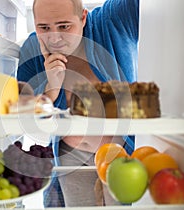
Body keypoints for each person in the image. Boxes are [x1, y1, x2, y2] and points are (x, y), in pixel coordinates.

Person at [17, 0, 139, 207]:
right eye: (44, 28)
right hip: (71, 158)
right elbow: (25, 111)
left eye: (64, 26)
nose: (55, 38)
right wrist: (52, 87)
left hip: (121, 154)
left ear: (83, 17)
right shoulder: (31, 48)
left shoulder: (111, 20)